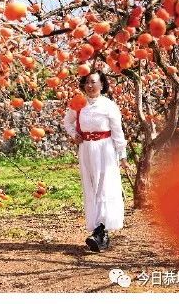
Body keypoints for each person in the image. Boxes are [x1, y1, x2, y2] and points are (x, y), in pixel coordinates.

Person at [63, 70, 130, 252]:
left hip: (105, 149)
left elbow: (117, 132)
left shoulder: (109, 106)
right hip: (86, 149)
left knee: (104, 188)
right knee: (91, 187)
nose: (90, 86)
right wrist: (74, 135)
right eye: (87, 82)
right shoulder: (78, 104)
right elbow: (67, 122)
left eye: (93, 82)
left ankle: (101, 232)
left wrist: (122, 156)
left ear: (102, 85)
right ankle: (97, 230)